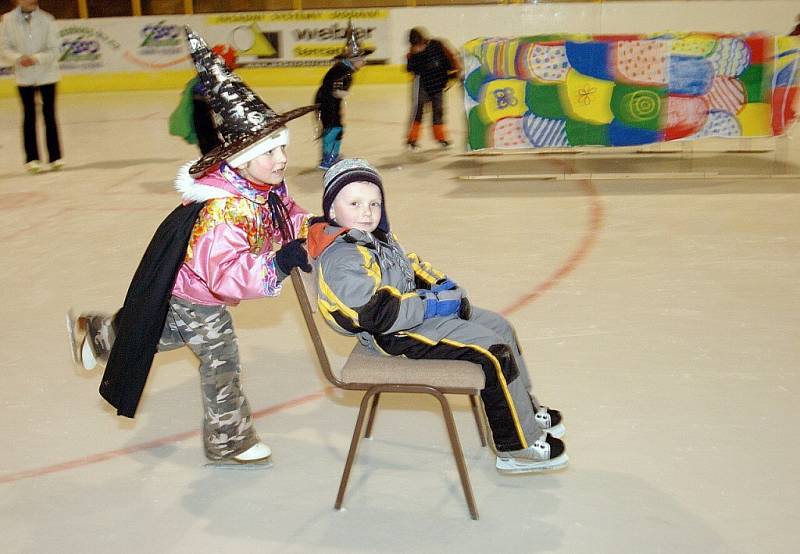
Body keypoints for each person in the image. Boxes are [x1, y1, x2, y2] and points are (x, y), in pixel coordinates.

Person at [66, 28, 317, 467]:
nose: (281, 159)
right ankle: (227, 441)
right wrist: (278, 262)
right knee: (221, 359)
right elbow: (223, 273)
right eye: (269, 151)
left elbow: (286, 214)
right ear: (242, 159)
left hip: (196, 294)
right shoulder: (223, 211)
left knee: (162, 334)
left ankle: (102, 332)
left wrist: (310, 227)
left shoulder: (266, 186)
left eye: (282, 147)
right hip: (196, 291)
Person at [306, 158, 568, 474]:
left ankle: (523, 410)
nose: (367, 212)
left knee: (500, 326)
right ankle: (516, 447)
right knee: (491, 351)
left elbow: (409, 266)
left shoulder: (376, 238)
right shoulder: (343, 255)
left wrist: (441, 284)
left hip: (412, 316)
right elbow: (376, 313)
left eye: (375, 203)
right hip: (394, 334)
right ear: (332, 211)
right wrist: (431, 304)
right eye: (355, 203)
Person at [0, 0, 63, 173]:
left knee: (49, 115)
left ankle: (55, 157)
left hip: (47, 74)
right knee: (29, 117)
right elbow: (4, 48)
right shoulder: (7, 20)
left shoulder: (47, 19)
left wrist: (36, 58)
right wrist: (18, 58)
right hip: (24, 76)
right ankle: (32, 159)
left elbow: (56, 49)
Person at [314, 20, 372, 170]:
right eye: (362, 59)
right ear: (354, 59)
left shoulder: (344, 69)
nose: (364, 62)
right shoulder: (345, 72)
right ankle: (328, 159)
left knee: (336, 128)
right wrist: (341, 94)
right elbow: (335, 91)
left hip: (328, 101)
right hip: (328, 102)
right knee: (333, 129)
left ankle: (332, 155)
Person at [169, 43, 237, 155]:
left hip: (204, 110)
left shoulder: (208, 77)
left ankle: (215, 155)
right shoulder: (206, 81)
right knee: (208, 139)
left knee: (208, 139)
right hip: (202, 109)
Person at [405, 27, 462, 151]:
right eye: (415, 45)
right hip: (422, 85)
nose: (418, 46)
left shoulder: (437, 45)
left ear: (423, 39)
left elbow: (452, 58)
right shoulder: (412, 53)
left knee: (438, 112)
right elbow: (410, 69)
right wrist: (415, 56)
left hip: (438, 85)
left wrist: (455, 72)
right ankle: (412, 138)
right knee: (417, 112)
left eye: (419, 43)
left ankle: (440, 137)